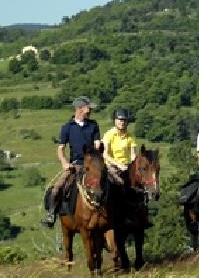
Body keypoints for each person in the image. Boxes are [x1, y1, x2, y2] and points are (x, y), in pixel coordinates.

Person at [41, 96, 102, 227]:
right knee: (58, 187)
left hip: (93, 164)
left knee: (111, 183)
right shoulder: (67, 127)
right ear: (79, 108)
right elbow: (60, 149)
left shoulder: (94, 125)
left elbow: (97, 144)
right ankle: (51, 214)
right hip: (76, 164)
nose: (90, 111)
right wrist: (64, 163)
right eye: (88, 108)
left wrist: (96, 155)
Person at [102, 108, 137, 185]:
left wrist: (133, 164)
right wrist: (118, 164)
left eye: (124, 120)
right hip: (112, 166)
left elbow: (133, 154)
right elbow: (105, 154)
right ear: (115, 120)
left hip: (126, 165)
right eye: (120, 120)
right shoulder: (109, 135)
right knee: (119, 182)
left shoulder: (130, 136)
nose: (122, 122)